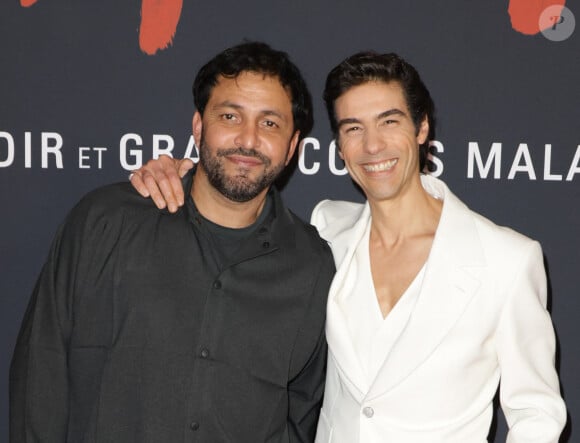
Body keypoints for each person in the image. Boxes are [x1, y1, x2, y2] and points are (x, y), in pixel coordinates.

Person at [131, 50, 567, 442]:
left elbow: (537, 413)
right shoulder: (326, 231)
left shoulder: (506, 259)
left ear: (422, 127)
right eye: (353, 128)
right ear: (339, 146)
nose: (372, 145)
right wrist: (172, 174)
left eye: (389, 121)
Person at [9, 42, 335, 443]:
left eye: (270, 123)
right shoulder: (105, 220)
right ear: (199, 126)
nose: (247, 140)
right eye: (230, 116)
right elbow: (40, 373)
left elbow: (303, 415)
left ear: (292, 146)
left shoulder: (313, 266)